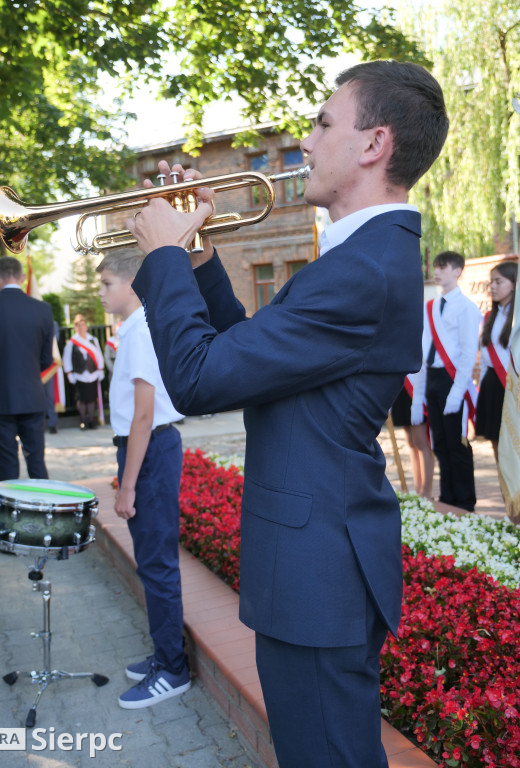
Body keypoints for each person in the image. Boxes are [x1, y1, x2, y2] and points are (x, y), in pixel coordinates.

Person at [125, 60, 449, 767]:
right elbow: (247, 353)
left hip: (317, 570)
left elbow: (202, 379)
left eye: (322, 123)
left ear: (374, 145)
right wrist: (205, 255)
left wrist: (164, 258)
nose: (304, 142)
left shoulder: (362, 267)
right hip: (315, 561)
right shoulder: (362, 257)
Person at [96, 252, 188, 709]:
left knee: (157, 564)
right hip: (147, 450)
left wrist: (127, 484)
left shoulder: (140, 331)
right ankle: (164, 654)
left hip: (149, 451)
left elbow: (144, 415)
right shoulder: (133, 329)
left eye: (107, 283)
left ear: (132, 284)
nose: (102, 292)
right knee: (153, 562)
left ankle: (173, 669)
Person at [411, 251, 482, 512]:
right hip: (433, 379)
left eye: (443, 267)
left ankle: (465, 502)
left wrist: (457, 392)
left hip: (455, 380)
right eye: (436, 267)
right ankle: (449, 500)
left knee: (458, 444)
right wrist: (418, 399)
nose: (437, 271)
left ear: (458, 271)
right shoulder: (429, 307)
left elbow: (467, 353)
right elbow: (423, 352)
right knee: (439, 443)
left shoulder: (467, 308)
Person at [0, 257, 53, 481]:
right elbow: (47, 359)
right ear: (22, 277)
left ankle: (10, 515)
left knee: (5, 466)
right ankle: (43, 510)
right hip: (32, 395)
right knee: (37, 462)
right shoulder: (42, 309)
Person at [476, 260, 518, 461]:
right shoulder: (488, 317)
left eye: (498, 282)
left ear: (513, 284)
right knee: (495, 439)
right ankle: (505, 492)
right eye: (491, 282)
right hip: (492, 385)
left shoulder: (517, 317)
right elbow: (484, 359)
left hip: (513, 385)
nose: (492, 286)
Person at [390, 373, 435, 498]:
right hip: (402, 387)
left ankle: (427, 491)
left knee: (421, 441)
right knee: (411, 442)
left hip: (416, 386)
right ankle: (418, 487)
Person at [62, 314, 104, 429]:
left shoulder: (93, 340)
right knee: (81, 399)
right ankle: (83, 420)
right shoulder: (72, 342)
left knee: (91, 398)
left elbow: (99, 355)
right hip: (79, 375)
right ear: (75, 327)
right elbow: (66, 359)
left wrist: (100, 369)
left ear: (86, 326)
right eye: (78, 325)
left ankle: (91, 420)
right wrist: (69, 373)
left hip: (93, 374)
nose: (81, 328)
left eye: (83, 325)